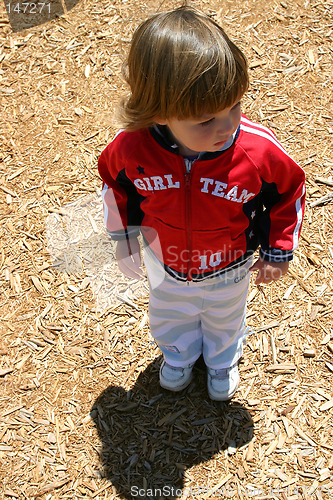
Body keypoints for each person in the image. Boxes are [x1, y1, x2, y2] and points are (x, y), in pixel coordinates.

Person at [98, 6, 306, 401]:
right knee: (169, 313)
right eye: (206, 119)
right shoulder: (131, 148)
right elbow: (114, 185)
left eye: (234, 107)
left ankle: (222, 359)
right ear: (159, 113)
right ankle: (178, 355)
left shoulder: (255, 150)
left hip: (229, 264)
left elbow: (290, 190)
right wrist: (122, 237)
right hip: (166, 260)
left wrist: (278, 250)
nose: (227, 126)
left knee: (224, 317)